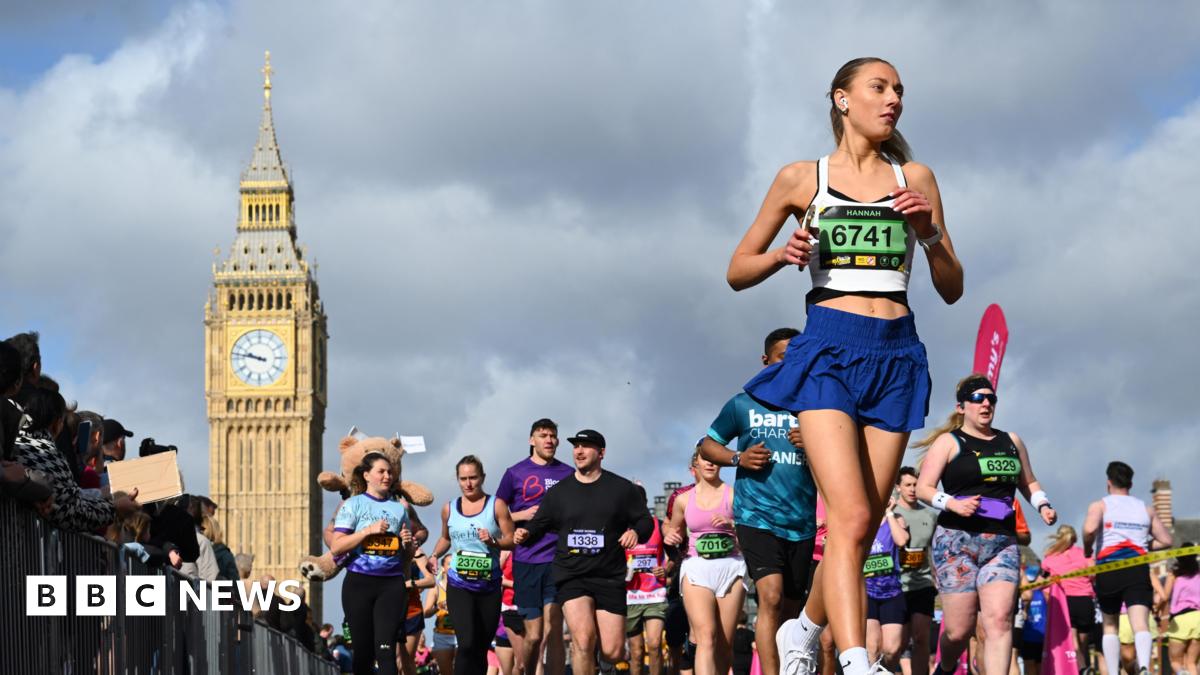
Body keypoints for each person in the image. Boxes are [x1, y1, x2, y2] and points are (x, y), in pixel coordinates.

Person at [729, 56, 964, 675]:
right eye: (878, 88)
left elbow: (952, 286)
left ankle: (805, 628)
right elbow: (736, 269)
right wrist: (783, 255)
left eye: (899, 92)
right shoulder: (801, 178)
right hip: (829, 349)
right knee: (853, 515)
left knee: (855, 536)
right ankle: (857, 660)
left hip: (895, 354)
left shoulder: (915, 176)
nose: (893, 100)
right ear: (842, 99)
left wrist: (929, 232)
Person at [914, 374, 1057, 675]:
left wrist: (1042, 504)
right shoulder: (950, 442)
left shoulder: (1011, 441)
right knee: (959, 630)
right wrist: (952, 503)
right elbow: (923, 488)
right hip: (957, 541)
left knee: (1000, 621)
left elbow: (1028, 481)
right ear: (962, 406)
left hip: (1001, 542)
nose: (986, 403)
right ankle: (947, 665)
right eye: (979, 398)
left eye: (991, 398)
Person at [700, 327, 817, 675]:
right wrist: (738, 458)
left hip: (801, 521)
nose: (790, 364)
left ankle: (790, 667)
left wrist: (813, 445)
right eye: (783, 357)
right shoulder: (742, 403)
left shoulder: (815, 408)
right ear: (766, 361)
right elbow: (708, 445)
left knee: (793, 609)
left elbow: (841, 457)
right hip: (757, 517)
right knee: (771, 598)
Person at [514, 429, 654, 675]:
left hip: (609, 575)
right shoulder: (559, 492)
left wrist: (635, 532)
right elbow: (540, 523)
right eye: (576, 446)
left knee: (613, 651)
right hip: (572, 574)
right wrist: (525, 533)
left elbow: (645, 521)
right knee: (582, 641)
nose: (578, 451)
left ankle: (605, 663)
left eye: (585, 446)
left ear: (601, 453)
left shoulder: (621, 489)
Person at [497, 418, 573, 675]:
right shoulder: (514, 473)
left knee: (553, 629)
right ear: (532, 440)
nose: (549, 440)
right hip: (527, 560)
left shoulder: (567, 473)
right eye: (543, 435)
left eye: (552, 436)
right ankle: (525, 671)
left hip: (558, 558)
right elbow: (495, 515)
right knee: (534, 635)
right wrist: (521, 516)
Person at [330, 452, 417, 675]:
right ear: (367, 475)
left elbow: (405, 557)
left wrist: (408, 546)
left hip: (390, 586)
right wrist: (368, 531)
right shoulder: (353, 505)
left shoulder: (400, 509)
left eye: (390, 472)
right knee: (364, 652)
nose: (387, 476)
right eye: (381, 471)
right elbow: (337, 546)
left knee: (386, 650)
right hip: (359, 584)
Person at [1082, 461, 1173, 675]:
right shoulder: (1145, 509)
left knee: (1110, 625)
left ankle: (1113, 672)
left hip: (1108, 568)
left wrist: (1088, 549)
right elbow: (1167, 540)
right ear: (1130, 483)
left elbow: (1088, 529)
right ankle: (1143, 667)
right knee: (1140, 623)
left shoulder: (1100, 505)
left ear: (1108, 482)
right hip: (1137, 568)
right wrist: (1143, 544)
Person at [431, 455, 516, 675]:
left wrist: (494, 541)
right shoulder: (449, 509)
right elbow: (445, 538)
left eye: (473, 478)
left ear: (482, 478)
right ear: (457, 479)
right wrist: (434, 555)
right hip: (460, 584)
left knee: (480, 646)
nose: (468, 484)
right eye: (463, 478)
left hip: (488, 586)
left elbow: (512, 539)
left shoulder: (496, 505)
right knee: (466, 642)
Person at [664, 454, 747, 675]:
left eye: (714, 459)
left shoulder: (734, 495)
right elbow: (674, 532)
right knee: (706, 637)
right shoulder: (683, 500)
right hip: (697, 568)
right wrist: (670, 537)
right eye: (705, 459)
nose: (710, 463)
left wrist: (733, 524)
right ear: (696, 465)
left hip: (731, 568)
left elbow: (751, 536)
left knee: (724, 644)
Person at [892, 468, 937, 675]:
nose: (912, 489)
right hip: (895, 585)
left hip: (923, 584)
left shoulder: (930, 515)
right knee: (894, 645)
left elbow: (936, 550)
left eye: (915, 485)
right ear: (897, 487)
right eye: (907, 485)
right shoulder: (891, 513)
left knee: (921, 638)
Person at [625, 484, 670, 675]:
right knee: (635, 652)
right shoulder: (622, 530)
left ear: (644, 503)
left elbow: (675, 556)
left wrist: (665, 569)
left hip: (655, 595)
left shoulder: (659, 525)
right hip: (630, 597)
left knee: (654, 646)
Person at [1040, 525, 1096, 671]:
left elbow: (1041, 580)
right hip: (1085, 601)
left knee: (1073, 643)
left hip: (1065, 603)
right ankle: (1083, 666)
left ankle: (1081, 667)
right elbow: (1093, 575)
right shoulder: (1085, 554)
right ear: (1075, 538)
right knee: (1083, 644)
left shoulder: (1049, 557)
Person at [863, 502, 909, 671]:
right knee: (872, 648)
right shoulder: (864, 520)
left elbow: (902, 540)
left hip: (892, 593)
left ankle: (885, 671)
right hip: (867, 592)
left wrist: (889, 513)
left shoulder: (895, 520)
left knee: (891, 650)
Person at [400, 550, 436, 675]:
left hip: (412, 612)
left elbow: (430, 581)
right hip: (388, 612)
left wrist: (410, 583)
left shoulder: (418, 554)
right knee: (391, 659)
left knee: (407, 661)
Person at [1165, 544, 1199, 675]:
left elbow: (1165, 596)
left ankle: (1181, 673)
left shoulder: (1174, 575)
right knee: (1192, 663)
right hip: (1198, 617)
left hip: (1180, 619)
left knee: (1175, 661)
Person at [425, 553, 459, 675]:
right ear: (443, 568)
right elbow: (426, 613)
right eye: (449, 564)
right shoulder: (436, 588)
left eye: (455, 563)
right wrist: (437, 607)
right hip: (442, 636)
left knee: (463, 669)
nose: (453, 566)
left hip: (460, 635)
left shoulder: (464, 587)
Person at [1019, 566, 1048, 675]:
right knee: (1038, 664)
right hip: (1038, 636)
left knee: (1030, 664)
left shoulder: (1023, 594)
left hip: (1030, 636)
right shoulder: (1043, 594)